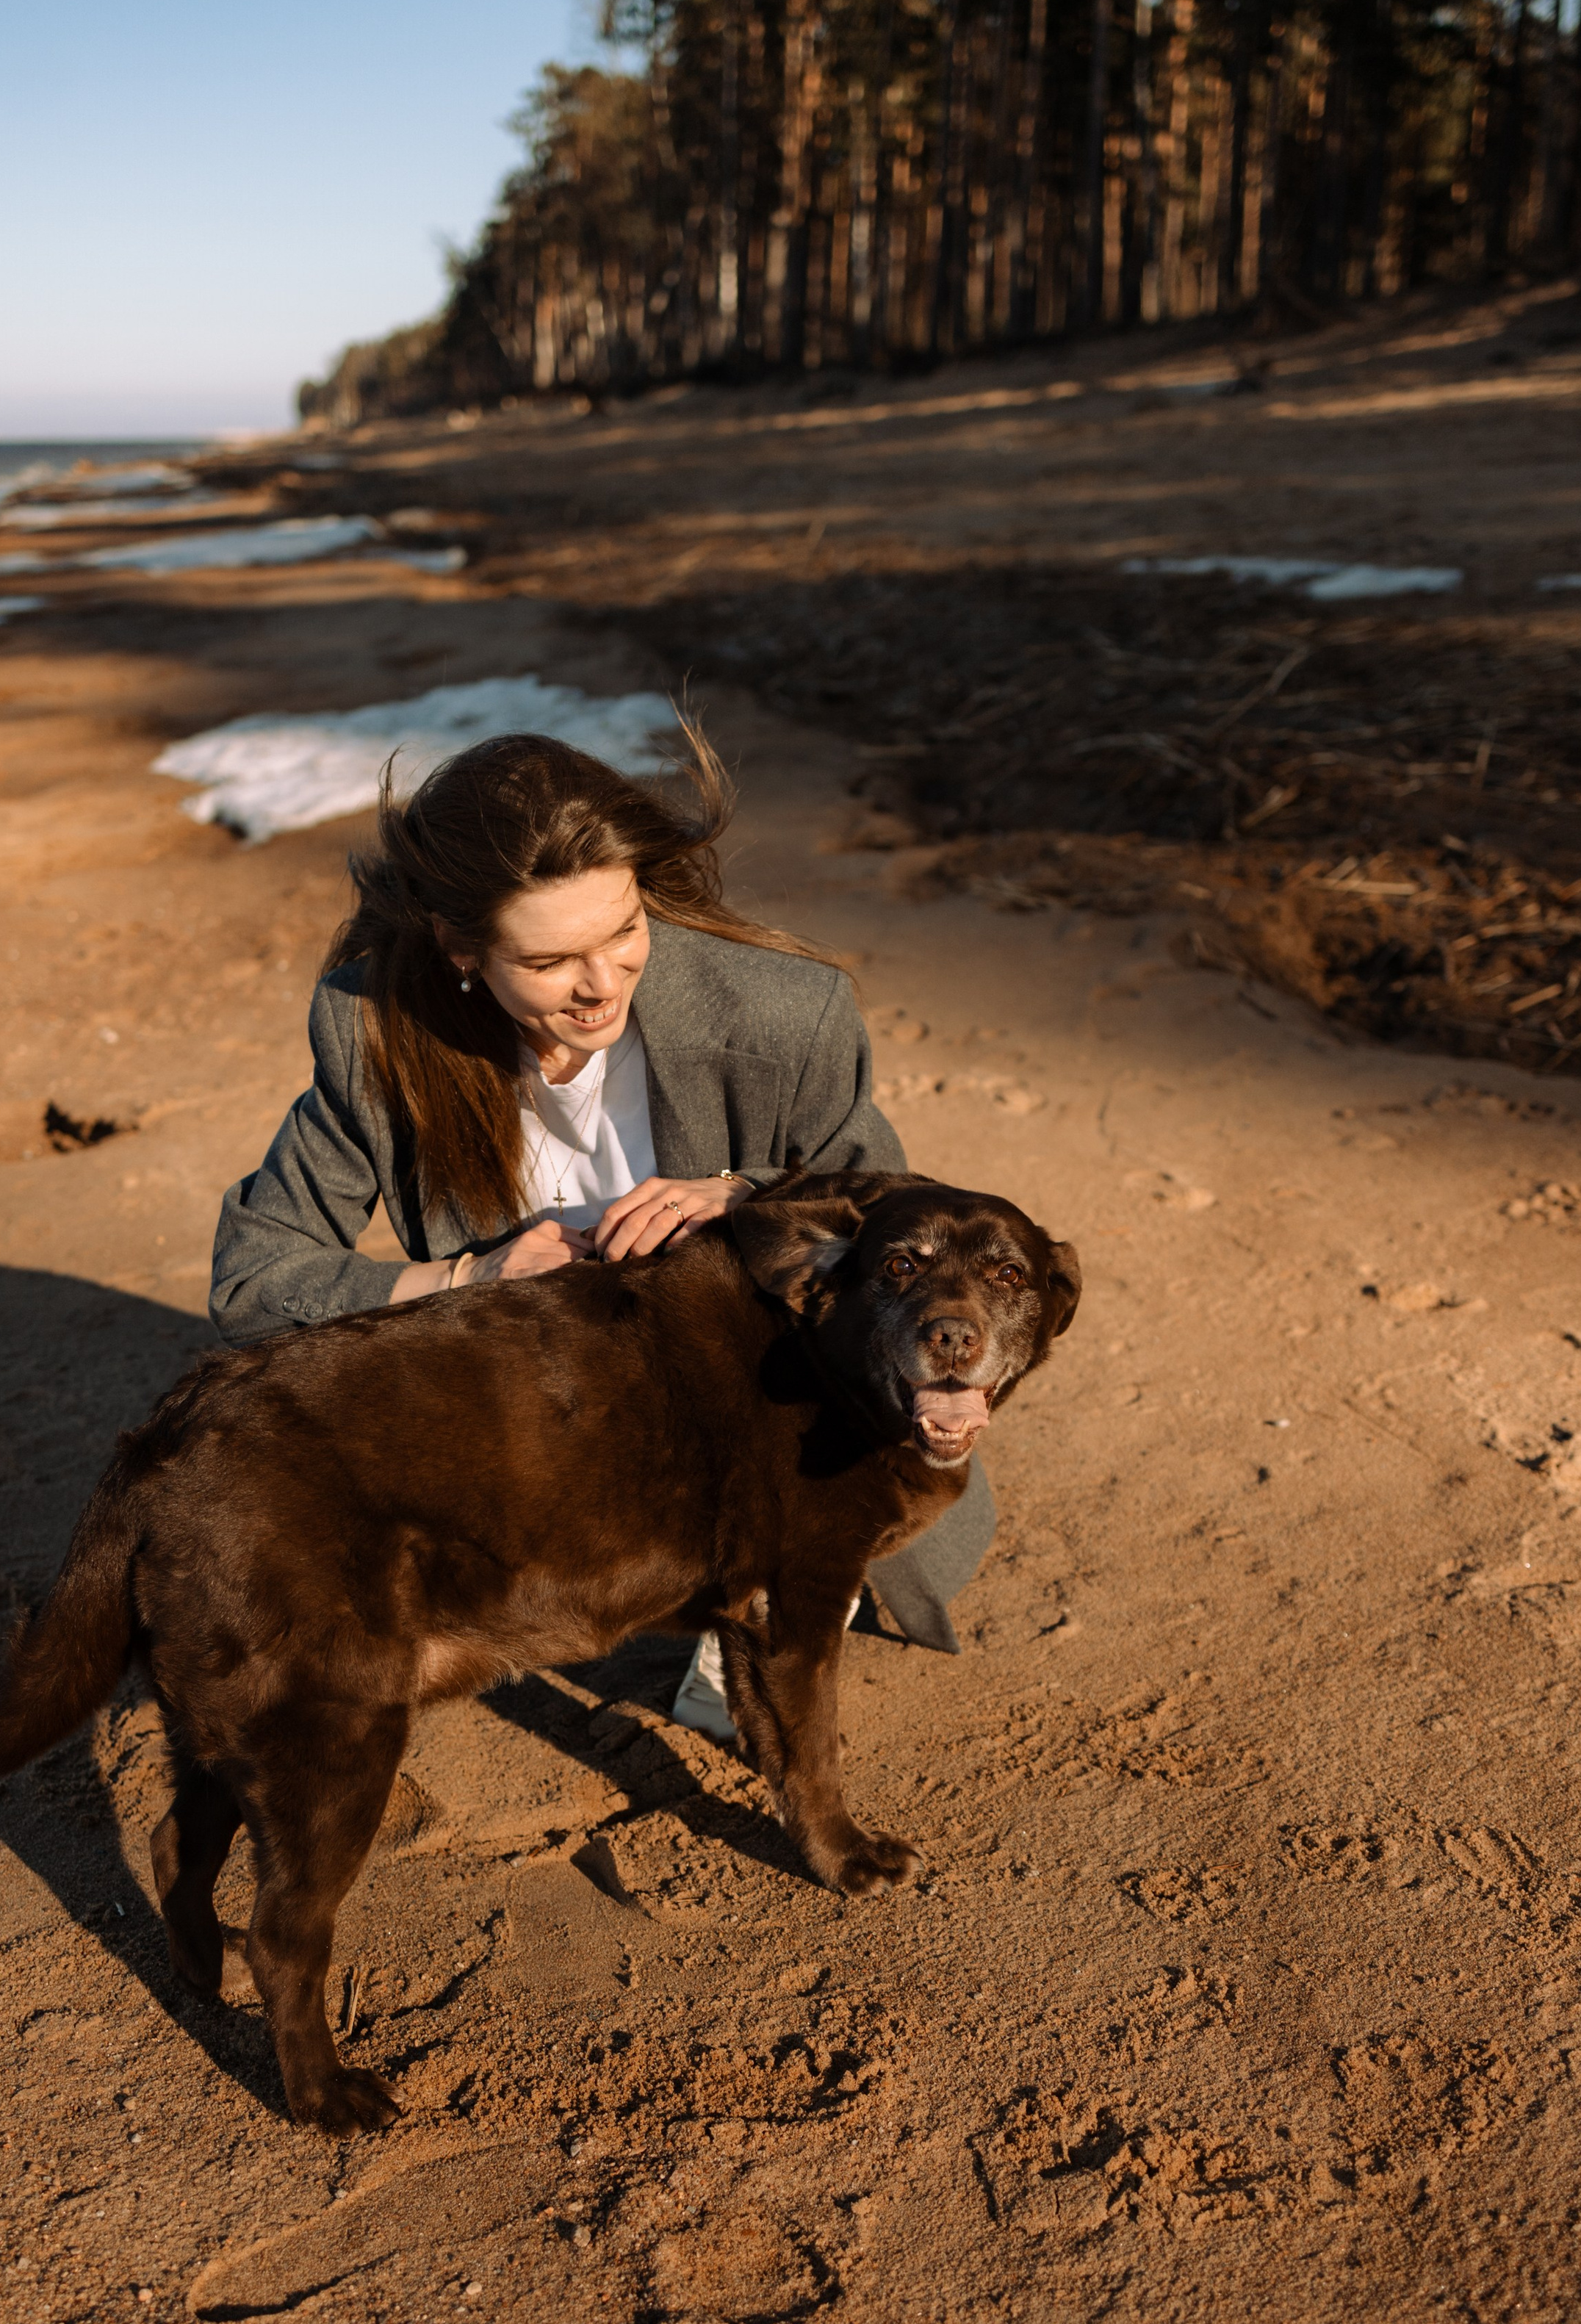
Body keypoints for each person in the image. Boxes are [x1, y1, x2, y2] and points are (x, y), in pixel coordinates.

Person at [209, 726, 994, 1731]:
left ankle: (783, 1571)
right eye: (548, 961)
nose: (601, 983)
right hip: (553, 1414)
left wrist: (748, 1198)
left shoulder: (782, 1013)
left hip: (768, 1414)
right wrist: (469, 1280)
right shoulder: (379, 1035)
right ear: (459, 948)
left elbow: (902, 1217)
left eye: (624, 931)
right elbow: (253, 1278)